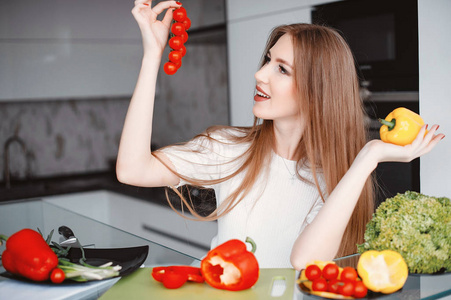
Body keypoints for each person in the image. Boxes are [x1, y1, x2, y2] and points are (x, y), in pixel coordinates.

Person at [116, 0, 445, 270]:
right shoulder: (229, 148)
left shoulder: (337, 182)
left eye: (281, 69)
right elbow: (133, 170)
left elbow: (305, 260)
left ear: (317, 92)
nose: (259, 74)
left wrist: (368, 157)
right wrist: (152, 55)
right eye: (268, 60)